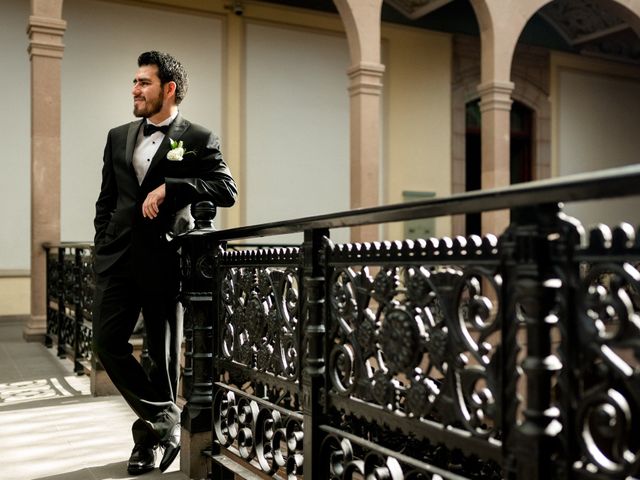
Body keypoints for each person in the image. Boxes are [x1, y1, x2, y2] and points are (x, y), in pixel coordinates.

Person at [92, 51, 237, 475]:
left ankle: (146, 444)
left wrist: (172, 188)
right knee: (107, 342)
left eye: (143, 83)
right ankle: (166, 417)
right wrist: (101, 242)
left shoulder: (197, 137)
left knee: (160, 358)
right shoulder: (118, 135)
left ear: (168, 89)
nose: (134, 89)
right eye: (135, 82)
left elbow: (225, 189)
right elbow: (106, 199)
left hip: (163, 259)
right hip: (116, 258)